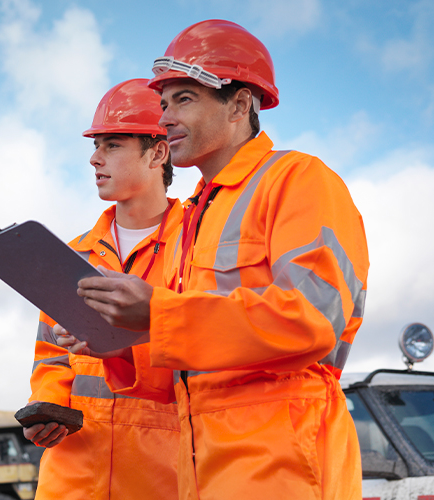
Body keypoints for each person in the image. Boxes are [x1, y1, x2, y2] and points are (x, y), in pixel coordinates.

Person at [65, 20, 369, 500]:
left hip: (283, 467)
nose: (165, 117)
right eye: (164, 103)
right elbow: (187, 371)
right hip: (201, 470)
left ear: (240, 105)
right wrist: (121, 348)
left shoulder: (298, 179)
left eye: (184, 98)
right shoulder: (194, 218)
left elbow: (314, 318)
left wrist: (157, 313)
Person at [24, 78, 183, 500]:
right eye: (96, 146)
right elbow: (51, 357)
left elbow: (205, 355)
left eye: (112, 145)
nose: (95, 159)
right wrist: (48, 408)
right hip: (72, 478)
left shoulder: (197, 248)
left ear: (159, 152)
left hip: (161, 477)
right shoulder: (75, 255)